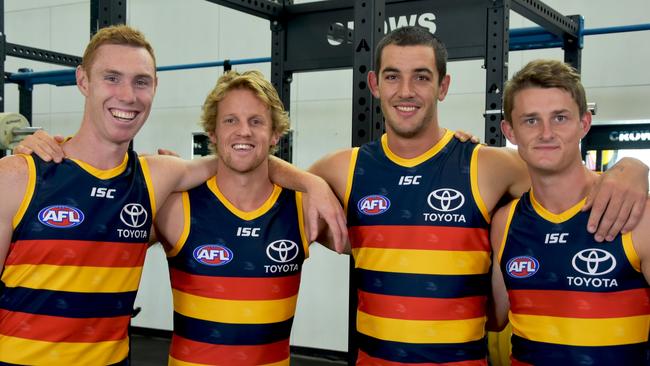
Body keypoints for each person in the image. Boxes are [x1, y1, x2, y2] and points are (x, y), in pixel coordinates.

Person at [0, 25, 345, 366]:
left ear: (154, 87)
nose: (128, 95)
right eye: (112, 77)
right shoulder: (17, 176)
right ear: (83, 81)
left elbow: (237, 157)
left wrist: (309, 182)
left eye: (140, 81)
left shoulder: (155, 178)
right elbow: (234, 154)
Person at [309, 26, 649, 364]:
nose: (406, 91)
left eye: (422, 77)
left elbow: (558, 173)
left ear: (443, 86)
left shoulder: (487, 164)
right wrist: (309, 184)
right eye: (393, 77)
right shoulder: (342, 168)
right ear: (375, 85)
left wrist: (633, 168)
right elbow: (267, 189)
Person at [153, 69, 345, 365]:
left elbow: (379, 247)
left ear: (275, 134)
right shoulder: (176, 205)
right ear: (213, 133)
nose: (244, 131)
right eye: (231, 120)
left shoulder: (305, 208)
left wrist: (313, 182)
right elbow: (100, 219)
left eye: (256, 121)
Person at [490, 59, 650, 365]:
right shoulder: (504, 222)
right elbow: (491, 318)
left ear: (584, 124)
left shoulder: (638, 215)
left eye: (560, 118)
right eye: (531, 121)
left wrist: (636, 165)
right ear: (510, 131)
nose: (546, 133)